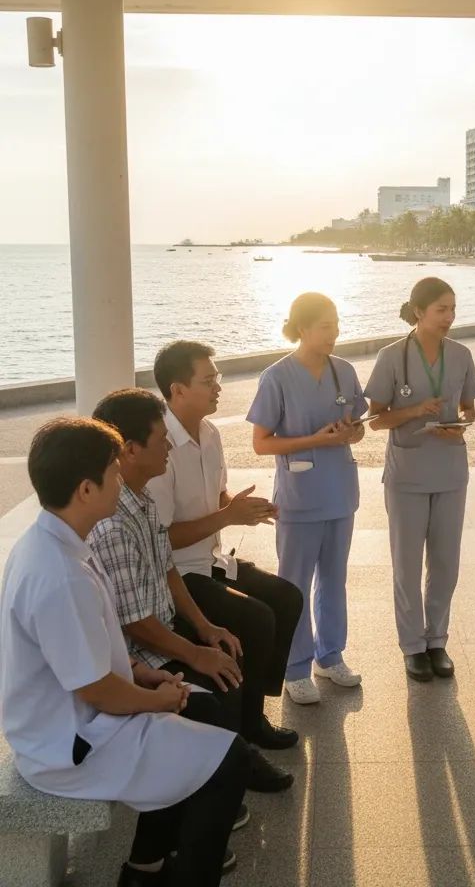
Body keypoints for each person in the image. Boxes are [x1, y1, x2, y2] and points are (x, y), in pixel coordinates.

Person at [1, 418, 247, 887]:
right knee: (227, 758)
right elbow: (98, 691)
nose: (121, 479)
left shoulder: (57, 539)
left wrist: (145, 674)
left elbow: (93, 651)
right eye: (112, 473)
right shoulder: (57, 574)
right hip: (67, 747)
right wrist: (160, 700)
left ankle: (145, 868)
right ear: (86, 489)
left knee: (204, 709)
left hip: (79, 717)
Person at [89, 389, 293, 795]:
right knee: (222, 674)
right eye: (159, 438)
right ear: (128, 450)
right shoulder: (113, 521)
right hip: (138, 650)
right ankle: (224, 777)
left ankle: (233, 761)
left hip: (174, 608)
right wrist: (196, 650)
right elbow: (136, 624)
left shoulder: (141, 498)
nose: (167, 445)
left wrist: (204, 627)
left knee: (237, 643)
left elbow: (165, 569)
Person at [148, 340, 302, 743]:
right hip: (179, 574)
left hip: (212, 561)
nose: (218, 386)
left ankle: (253, 711)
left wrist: (240, 507)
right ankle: (244, 733)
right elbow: (160, 540)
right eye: (208, 379)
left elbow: (217, 499)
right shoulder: (157, 447)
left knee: (286, 597)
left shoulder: (210, 432)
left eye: (218, 377)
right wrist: (226, 515)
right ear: (177, 389)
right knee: (257, 617)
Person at [248, 293, 366, 704]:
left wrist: (352, 433)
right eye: (325, 326)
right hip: (299, 497)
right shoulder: (276, 377)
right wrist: (316, 440)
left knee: (334, 579)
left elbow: (360, 424)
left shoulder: (344, 372)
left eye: (336, 324)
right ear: (302, 329)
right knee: (294, 583)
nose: (334, 333)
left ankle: (330, 656)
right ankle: (296, 667)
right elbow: (261, 444)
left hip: (339, 493)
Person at [364, 277, 475, 681]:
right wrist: (415, 411)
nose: (449, 317)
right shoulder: (391, 356)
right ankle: (412, 646)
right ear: (418, 312)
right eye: (441, 310)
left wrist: (461, 424)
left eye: (453, 309)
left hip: (450, 469)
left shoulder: (462, 354)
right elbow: (376, 420)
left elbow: (469, 409)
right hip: (408, 473)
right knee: (407, 564)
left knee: (446, 563)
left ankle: (437, 641)